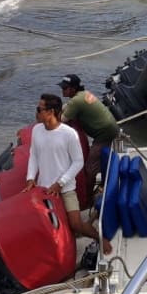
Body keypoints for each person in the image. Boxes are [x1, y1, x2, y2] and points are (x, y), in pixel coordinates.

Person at [23, 93, 108, 253]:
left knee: (75, 223)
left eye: (39, 109)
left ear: (51, 112)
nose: (36, 113)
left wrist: (60, 183)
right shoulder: (36, 130)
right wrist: (30, 178)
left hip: (65, 188)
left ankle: (100, 239)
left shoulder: (69, 134)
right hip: (43, 189)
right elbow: (33, 155)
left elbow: (78, 162)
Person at [58, 74, 119, 208]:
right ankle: (103, 185)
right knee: (102, 159)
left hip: (104, 133)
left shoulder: (76, 101)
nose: (62, 90)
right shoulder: (84, 94)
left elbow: (62, 119)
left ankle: (88, 200)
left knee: (90, 168)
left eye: (65, 88)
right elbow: (68, 106)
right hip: (110, 127)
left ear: (73, 89)